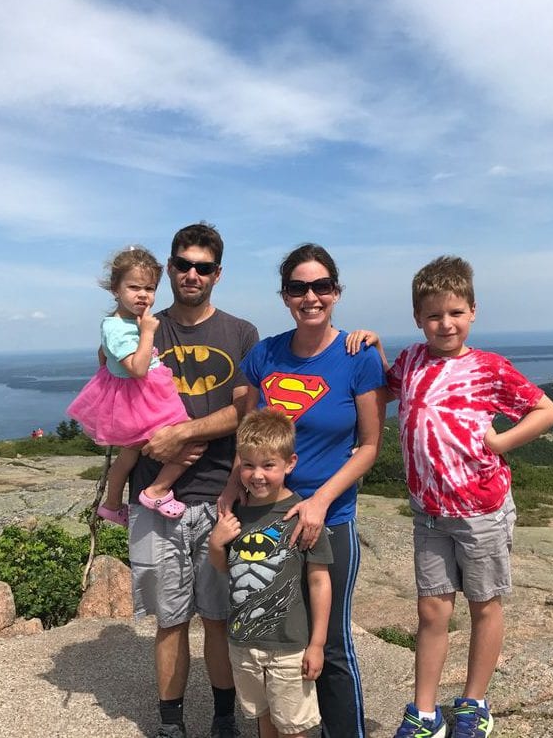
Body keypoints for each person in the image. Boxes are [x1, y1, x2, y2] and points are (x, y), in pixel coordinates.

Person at [371, 256, 553, 738]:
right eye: (434, 315)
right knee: (432, 610)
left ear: (472, 311)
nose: (445, 323)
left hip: (482, 510)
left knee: (484, 605)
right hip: (429, 512)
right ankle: (425, 712)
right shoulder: (411, 360)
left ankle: (474, 703)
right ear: (418, 319)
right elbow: (383, 390)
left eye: (455, 312)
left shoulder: (489, 368)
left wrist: (500, 442)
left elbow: (545, 410)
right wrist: (372, 349)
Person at [221, 243, 386, 738]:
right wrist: (231, 490)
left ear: (335, 292)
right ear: (285, 295)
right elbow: (249, 434)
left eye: (320, 286)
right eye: (298, 287)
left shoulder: (357, 356)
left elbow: (370, 445)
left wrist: (319, 500)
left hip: (328, 516)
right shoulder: (265, 354)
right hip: (266, 515)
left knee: (329, 643)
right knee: (271, 634)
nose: (310, 296)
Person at [128, 223, 259, 738]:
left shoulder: (241, 333)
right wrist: (150, 442)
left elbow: (245, 411)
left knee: (219, 617)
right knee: (169, 620)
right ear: (170, 268)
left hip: (219, 498)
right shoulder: (145, 329)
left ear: (217, 274)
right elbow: (119, 403)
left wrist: (181, 432)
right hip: (154, 498)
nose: (191, 273)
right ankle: (171, 725)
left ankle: (223, 720)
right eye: (182, 264)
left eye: (203, 267)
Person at [208, 409, 332, 738]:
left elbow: (320, 581)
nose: (257, 475)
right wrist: (215, 546)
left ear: (289, 463)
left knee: (293, 727)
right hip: (243, 642)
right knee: (263, 717)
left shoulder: (303, 516)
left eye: (268, 465)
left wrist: (317, 643)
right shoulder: (235, 513)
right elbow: (228, 571)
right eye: (248, 465)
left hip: (290, 646)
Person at [66, 246, 192, 526]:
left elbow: (102, 355)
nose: (143, 294)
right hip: (143, 398)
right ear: (115, 288)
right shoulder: (123, 326)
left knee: (128, 455)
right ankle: (156, 491)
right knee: (189, 441)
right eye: (134, 287)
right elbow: (136, 369)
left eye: (149, 288)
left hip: (134, 398)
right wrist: (148, 332)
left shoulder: (118, 323)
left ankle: (111, 505)